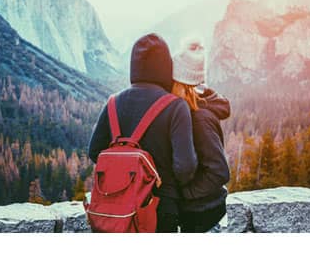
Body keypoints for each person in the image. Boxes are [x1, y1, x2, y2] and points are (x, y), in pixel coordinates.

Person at [88, 33, 198, 232]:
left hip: (114, 210)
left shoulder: (113, 102)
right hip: (159, 209)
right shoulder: (176, 106)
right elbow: (185, 167)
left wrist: (125, 175)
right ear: (166, 67)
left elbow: (95, 151)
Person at [171, 37, 231, 233]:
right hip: (198, 213)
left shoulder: (200, 119)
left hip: (204, 216)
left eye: (173, 82)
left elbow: (219, 172)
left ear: (184, 85)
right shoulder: (191, 112)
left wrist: (184, 193)